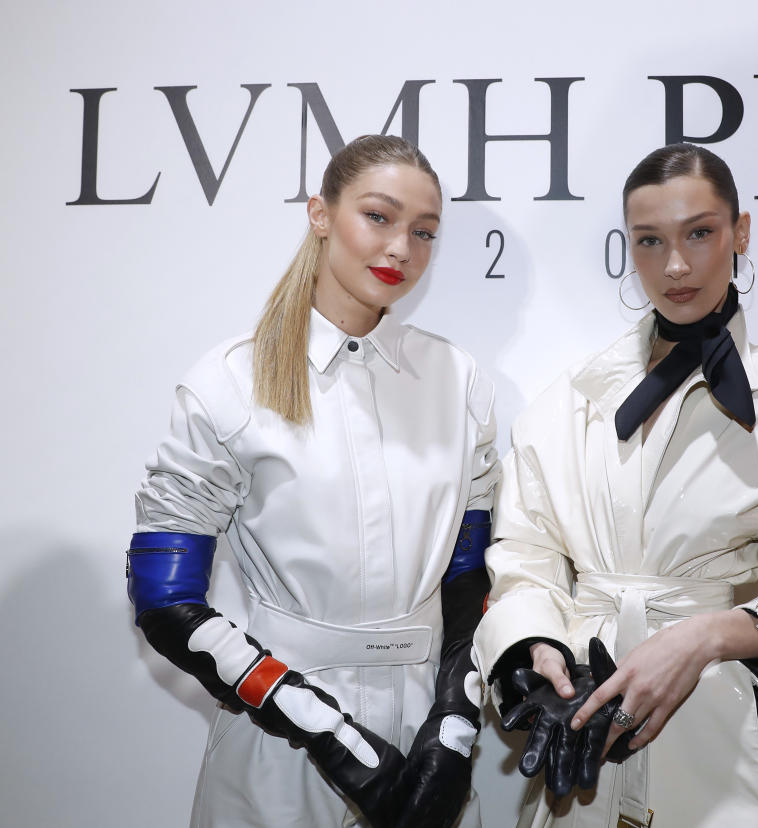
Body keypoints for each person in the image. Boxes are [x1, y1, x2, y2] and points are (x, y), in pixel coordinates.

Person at [473, 143, 758, 826]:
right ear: (628, 247)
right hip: (584, 726)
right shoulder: (569, 400)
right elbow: (526, 558)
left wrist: (706, 637)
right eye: (650, 241)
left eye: (700, 233)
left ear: (740, 232)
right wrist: (533, 649)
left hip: (720, 736)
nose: (674, 265)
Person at [126, 135, 498, 828]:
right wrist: (329, 734)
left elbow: (470, 579)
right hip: (277, 746)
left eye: (424, 232)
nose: (401, 250)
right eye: (378, 217)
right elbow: (164, 598)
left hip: (427, 753)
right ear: (320, 214)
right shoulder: (227, 382)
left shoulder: (459, 379)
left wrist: (454, 729)